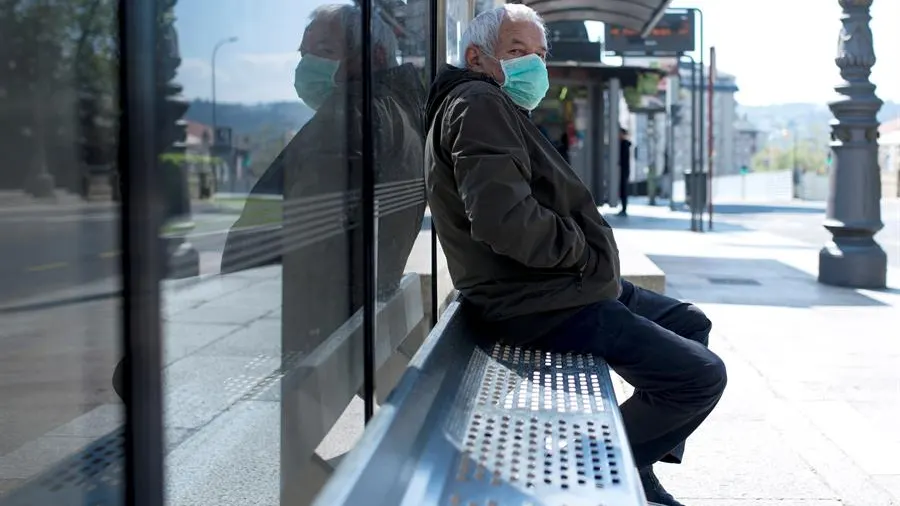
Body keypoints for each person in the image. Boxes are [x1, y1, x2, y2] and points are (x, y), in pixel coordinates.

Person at [424, 5, 726, 506]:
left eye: (539, 55)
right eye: (517, 52)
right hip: (537, 300)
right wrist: (583, 254)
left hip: (557, 287)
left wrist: (585, 262)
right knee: (698, 378)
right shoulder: (478, 103)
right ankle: (576, 469)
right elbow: (504, 222)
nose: (533, 66)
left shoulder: (491, 104)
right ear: (477, 58)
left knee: (690, 323)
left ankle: (636, 463)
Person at [618, 127, 632, 216]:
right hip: (624, 169)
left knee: (623, 189)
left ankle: (624, 209)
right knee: (623, 189)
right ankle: (623, 208)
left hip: (624, 170)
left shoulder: (624, 144)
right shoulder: (624, 144)